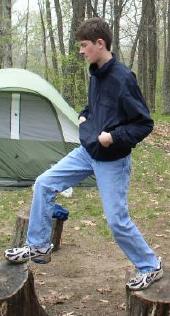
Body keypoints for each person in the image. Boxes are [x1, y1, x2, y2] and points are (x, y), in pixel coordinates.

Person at [4, 17, 163, 291]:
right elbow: (96, 107)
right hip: (87, 152)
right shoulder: (95, 72)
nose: (81, 50)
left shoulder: (123, 79)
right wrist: (83, 115)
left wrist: (113, 137)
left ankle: (150, 266)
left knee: (116, 221)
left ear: (100, 44)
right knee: (43, 183)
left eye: (84, 45)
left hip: (113, 160)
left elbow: (144, 124)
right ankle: (39, 246)